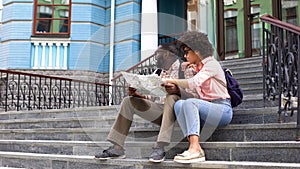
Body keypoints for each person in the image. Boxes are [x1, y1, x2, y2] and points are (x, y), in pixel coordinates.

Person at [94, 43, 198, 162]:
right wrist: (136, 94)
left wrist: (177, 91)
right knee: (129, 101)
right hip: (163, 113)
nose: (155, 58)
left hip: (180, 115)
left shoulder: (186, 69)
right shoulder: (160, 73)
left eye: (156, 55)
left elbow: (195, 98)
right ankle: (117, 148)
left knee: (172, 96)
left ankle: (160, 146)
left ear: (166, 54)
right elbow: (150, 99)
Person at [162, 31, 233, 164]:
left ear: (197, 51)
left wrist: (172, 80)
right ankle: (194, 145)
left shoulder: (212, 65)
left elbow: (193, 83)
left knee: (190, 103)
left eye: (187, 51)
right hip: (206, 108)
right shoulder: (198, 68)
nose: (185, 55)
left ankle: (195, 148)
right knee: (179, 105)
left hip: (222, 109)